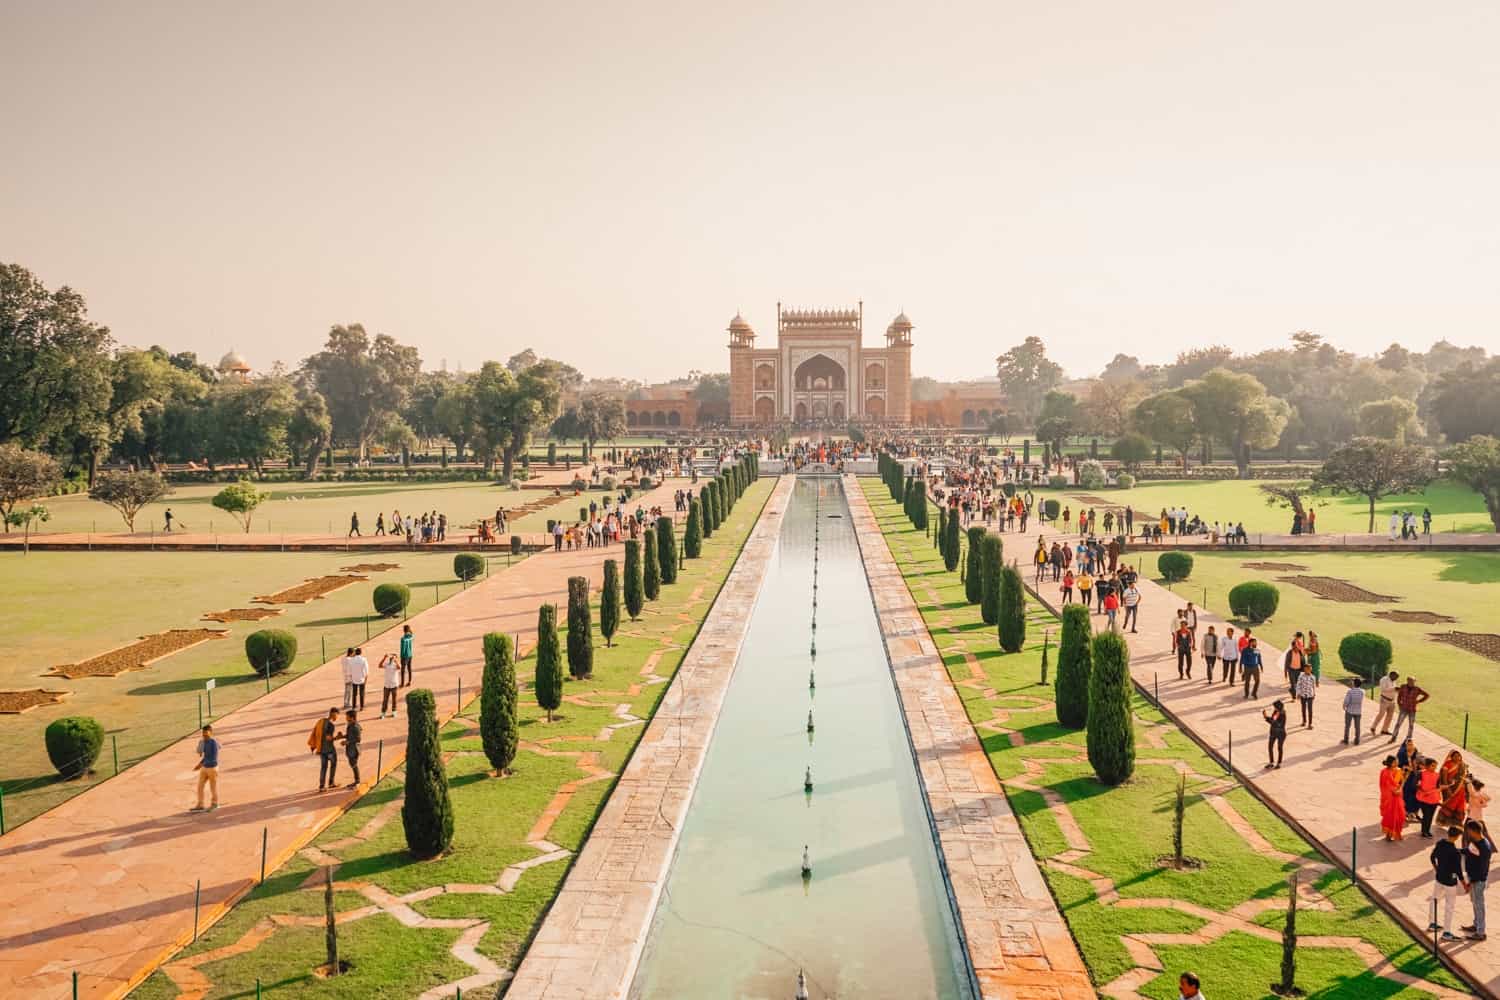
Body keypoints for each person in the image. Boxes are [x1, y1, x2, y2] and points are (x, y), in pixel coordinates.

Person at [1431, 825, 1465, 940]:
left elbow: (1432, 857)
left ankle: (1432, 923)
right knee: (1449, 906)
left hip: (1439, 877)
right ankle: (1447, 932)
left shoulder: (1440, 843)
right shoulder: (1455, 853)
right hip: (1450, 881)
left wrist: (1436, 868)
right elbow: (1458, 871)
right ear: (1457, 837)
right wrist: (1464, 884)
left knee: (1434, 899)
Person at [1463, 819, 1492, 940]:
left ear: (1473, 831)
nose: (1467, 833)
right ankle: (1476, 925)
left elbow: (1483, 866)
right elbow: (1470, 852)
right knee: (1475, 903)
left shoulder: (1484, 846)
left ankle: (1481, 932)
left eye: (1468, 831)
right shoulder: (1476, 841)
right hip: (1473, 878)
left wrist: (1473, 880)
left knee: (1479, 905)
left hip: (1478, 880)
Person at [1390, 677, 1430, 744]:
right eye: (1409, 681)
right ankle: (1393, 737)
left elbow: (1427, 695)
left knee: (1411, 725)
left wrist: (1419, 701)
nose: (1411, 682)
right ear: (1407, 681)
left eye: (1413, 681)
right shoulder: (1403, 686)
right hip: (1404, 709)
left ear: (1414, 682)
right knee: (1398, 724)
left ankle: (1408, 739)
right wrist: (1399, 704)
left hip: (1412, 710)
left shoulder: (1417, 689)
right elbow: (1399, 696)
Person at [190, 724, 219, 812]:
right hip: (205, 768)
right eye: (203, 734)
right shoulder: (203, 742)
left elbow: (212, 757)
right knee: (200, 786)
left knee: (213, 787)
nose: (204, 735)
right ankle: (200, 804)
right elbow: (203, 753)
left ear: (211, 733)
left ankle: (215, 804)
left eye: (206, 734)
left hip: (212, 768)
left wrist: (200, 764)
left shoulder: (213, 742)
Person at [310, 707, 341, 790]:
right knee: (333, 765)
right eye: (337, 715)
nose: (337, 717)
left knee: (323, 767)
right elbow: (328, 738)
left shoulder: (321, 721)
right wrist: (337, 737)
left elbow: (315, 733)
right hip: (330, 750)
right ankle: (331, 783)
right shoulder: (331, 725)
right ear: (333, 714)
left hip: (321, 749)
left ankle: (321, 786)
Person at [1438, 750, 1470, 827]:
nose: (1458, 758)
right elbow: (1444, 778)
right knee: (1449, 805)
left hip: (1460, 789)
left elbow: (1465, 777)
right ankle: (1443, 821)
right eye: (1455, 756)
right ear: (1451, 757)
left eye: (1459, 756)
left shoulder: (1462, 765)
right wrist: (1448, 789)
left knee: (1460, 806)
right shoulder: (1447, 765)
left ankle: (1457, 822)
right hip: (1450, 789)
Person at [1380, 755, 1406, 841]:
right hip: (1390, 797)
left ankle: (1397, 833)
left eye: (1397, 761)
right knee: (1390, 816)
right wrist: (1394, 791)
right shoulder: (1385, 772)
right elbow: (1385, 785)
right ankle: (1388, 834)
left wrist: (1400, 788)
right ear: (1389, 763)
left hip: (1398, 796)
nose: (1396, 763)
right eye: (1394, 762)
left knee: (1400, 815)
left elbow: (1402, 781)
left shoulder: (1398, 770)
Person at [1417, 758, 1442, 837]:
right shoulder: (1421, 773)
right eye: (1432, 766)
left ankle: (1427, 830)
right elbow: (1415, 784)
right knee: (1426, 815)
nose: (1434, 768)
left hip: (1434, 798)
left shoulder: (1437, 775)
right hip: (1423, 798)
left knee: (1431, 815)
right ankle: (1424, 831)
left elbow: (1438, 786)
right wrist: (1420, 788)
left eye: (1435, 766)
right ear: (1427, 766)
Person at [1371, 670, 1399, 736]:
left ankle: (1384, 730)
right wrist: (1394, 688)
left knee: (1390, 716)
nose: (1396, 678)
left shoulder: (1393, 680)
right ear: (1391, 675)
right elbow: (1383, 689)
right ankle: (1373, 727)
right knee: (1381, 714)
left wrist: (1397, 690)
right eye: (1396, 677)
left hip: (1392, 701)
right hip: (1384, 699)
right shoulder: (1384, 680)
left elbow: (1393, 690)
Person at [341, 709, 363, 787]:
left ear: (352, 718)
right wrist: (342, 736)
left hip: (354, 749)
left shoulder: (355, 727)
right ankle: (357, 781)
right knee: (352, 764)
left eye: (347, 717)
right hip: (350, 748)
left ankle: (357, 781)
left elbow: (358, 739)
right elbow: (349, 735)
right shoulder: (350, 724)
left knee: (354, 764)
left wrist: (348, 742)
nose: (346, 718)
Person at [1264, 700, 1288, 768]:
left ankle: (1279, 763)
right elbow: (1272, 720)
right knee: (1270, 747)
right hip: (1273, 732)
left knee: (1279, 748)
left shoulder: (1282, 714)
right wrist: (1266, 717)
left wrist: (1271, 720)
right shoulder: (1275, 712)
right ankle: (1271, 762)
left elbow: (1278, 724)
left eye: (1275, 707)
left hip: (1280, 733)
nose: (1274, 708)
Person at [1341, 679, 1364, 745]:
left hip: (1350, 711)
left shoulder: (1350, 691)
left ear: (1354, 684)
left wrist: (1344, 706)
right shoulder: (1362, 692)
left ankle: (1346, 739)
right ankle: (1357, 740)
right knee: (1357, 726)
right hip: (1358, 711)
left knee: (1347, 726)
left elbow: (1346, 701)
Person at [1295, 663, 1317, 728]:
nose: (1308, 670)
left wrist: (1314, 694)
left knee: (1310, 710)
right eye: (1307, 669)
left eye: (1309, 669)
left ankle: (1310, 723)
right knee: (1303, 709)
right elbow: (1298, 685)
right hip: (1303, 695)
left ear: (1311, 669)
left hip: (1310, 695)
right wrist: (1298, 693)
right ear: (1304, 669)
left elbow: (1313, 686)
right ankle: (1304, 721)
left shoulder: (1313, 677)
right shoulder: (1301, 676)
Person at [380, 652, 400, 717]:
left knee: (394, 700)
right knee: (385, 700)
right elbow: (379, 665)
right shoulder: (386, 664)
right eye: (391, 656)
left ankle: (394, 712)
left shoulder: (396, 665)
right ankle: (383, 713)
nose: (392, 657)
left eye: (393, 656)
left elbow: (399, 667)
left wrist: (396, 661)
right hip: (387, 685)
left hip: (394, 685)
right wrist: (384, 658)